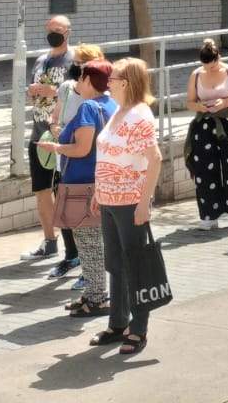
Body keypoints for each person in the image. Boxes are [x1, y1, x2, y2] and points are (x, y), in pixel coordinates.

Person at [89, 57, 162, 355]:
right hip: (108, 200)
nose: (109, 82)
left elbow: (155, 160)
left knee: (135, 267)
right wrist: (98, 191)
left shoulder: (139, 117)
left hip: (130, 201)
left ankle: (139, 328)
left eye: (114, 77)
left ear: (127, 82)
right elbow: (107, 154)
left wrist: (143, 204)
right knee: (115, 264)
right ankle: (117, 323)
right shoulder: (119, 111)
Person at [37, 58, 115, 318]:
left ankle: (97, 298)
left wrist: (56, 147)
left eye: (81, 78)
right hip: (101, 181)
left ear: (89, 81)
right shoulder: (112, 105)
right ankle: (92, 293)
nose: (77, 82)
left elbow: (82, 148)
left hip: (82, 184)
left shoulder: (88, 108)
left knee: (89, 243)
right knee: (94, 242)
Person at [46, 42, 102, 280]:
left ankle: (90, 271)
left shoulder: (97, 97)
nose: (75, 66)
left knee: (88, 221)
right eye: (75, 62)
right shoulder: (67, 88)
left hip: (88, 165)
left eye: (81, 63)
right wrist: (55, 127)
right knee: (67, 214)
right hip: (65, 161)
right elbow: (55, 116)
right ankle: (71, 257)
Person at [25, 14, 75, 263]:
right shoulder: (41, 60)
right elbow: (30, 94)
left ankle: (74, 249)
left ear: (68, 32)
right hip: (39, 132)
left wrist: (54, 91)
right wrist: (32, 92)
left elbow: (80, 94)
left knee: (65, 190)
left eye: (57, 29)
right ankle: (49, 241)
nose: (52, 33)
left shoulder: (75, 60)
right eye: (49, 29)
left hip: (63, 135)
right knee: (42, 190)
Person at [185, 39, 228, 230]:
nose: (209, 69)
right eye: (205, 66)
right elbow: (190, 102)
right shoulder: (196, 75)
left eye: (212, 66)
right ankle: (209, 214)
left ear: (218, 58)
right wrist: (200, 106)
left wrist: (226, 102)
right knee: (204, 170)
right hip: (204, 124)